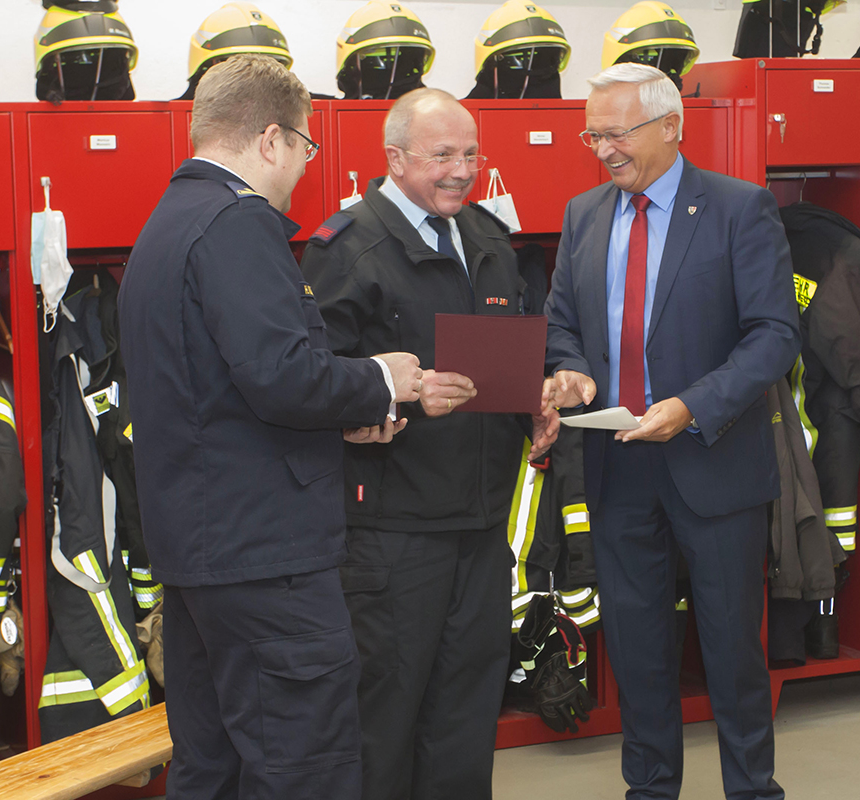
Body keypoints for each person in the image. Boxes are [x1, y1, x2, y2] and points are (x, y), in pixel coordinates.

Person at [118, 55, 422, 799]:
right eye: (306, 147)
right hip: (266, 562)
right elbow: (281, 374)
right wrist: (381, 378)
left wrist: (340, 425)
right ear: (270, 139)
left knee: (212, 767)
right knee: (303, 769)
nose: (301, 166)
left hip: (200, 558)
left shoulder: (166, 224)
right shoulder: (237, 222)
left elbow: (214, 393)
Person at [543, 63, 801, 800]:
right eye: (593, 132)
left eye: (617, 131)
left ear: (671, 126)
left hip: (712, 462)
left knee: (729, 650)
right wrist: (571, 373)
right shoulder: (583, 214)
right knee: (636, 647)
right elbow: (563, 323)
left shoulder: (738, 209)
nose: (602, 148)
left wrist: (692, 404)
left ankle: (752, 789)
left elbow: (774, 334)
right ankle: (650, 787)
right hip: (618, 462)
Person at [300, 87, 558, 800]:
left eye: (471, 154)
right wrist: (378, 399)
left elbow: (505, 362)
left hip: (480, 530)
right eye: (442, 154)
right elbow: (309, 377)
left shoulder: (489, 242)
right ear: (395, 157)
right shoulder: (349, 248)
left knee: (467, 719)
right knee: (383, 722)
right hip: (390, 538)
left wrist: (534, 400)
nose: (461, 170)